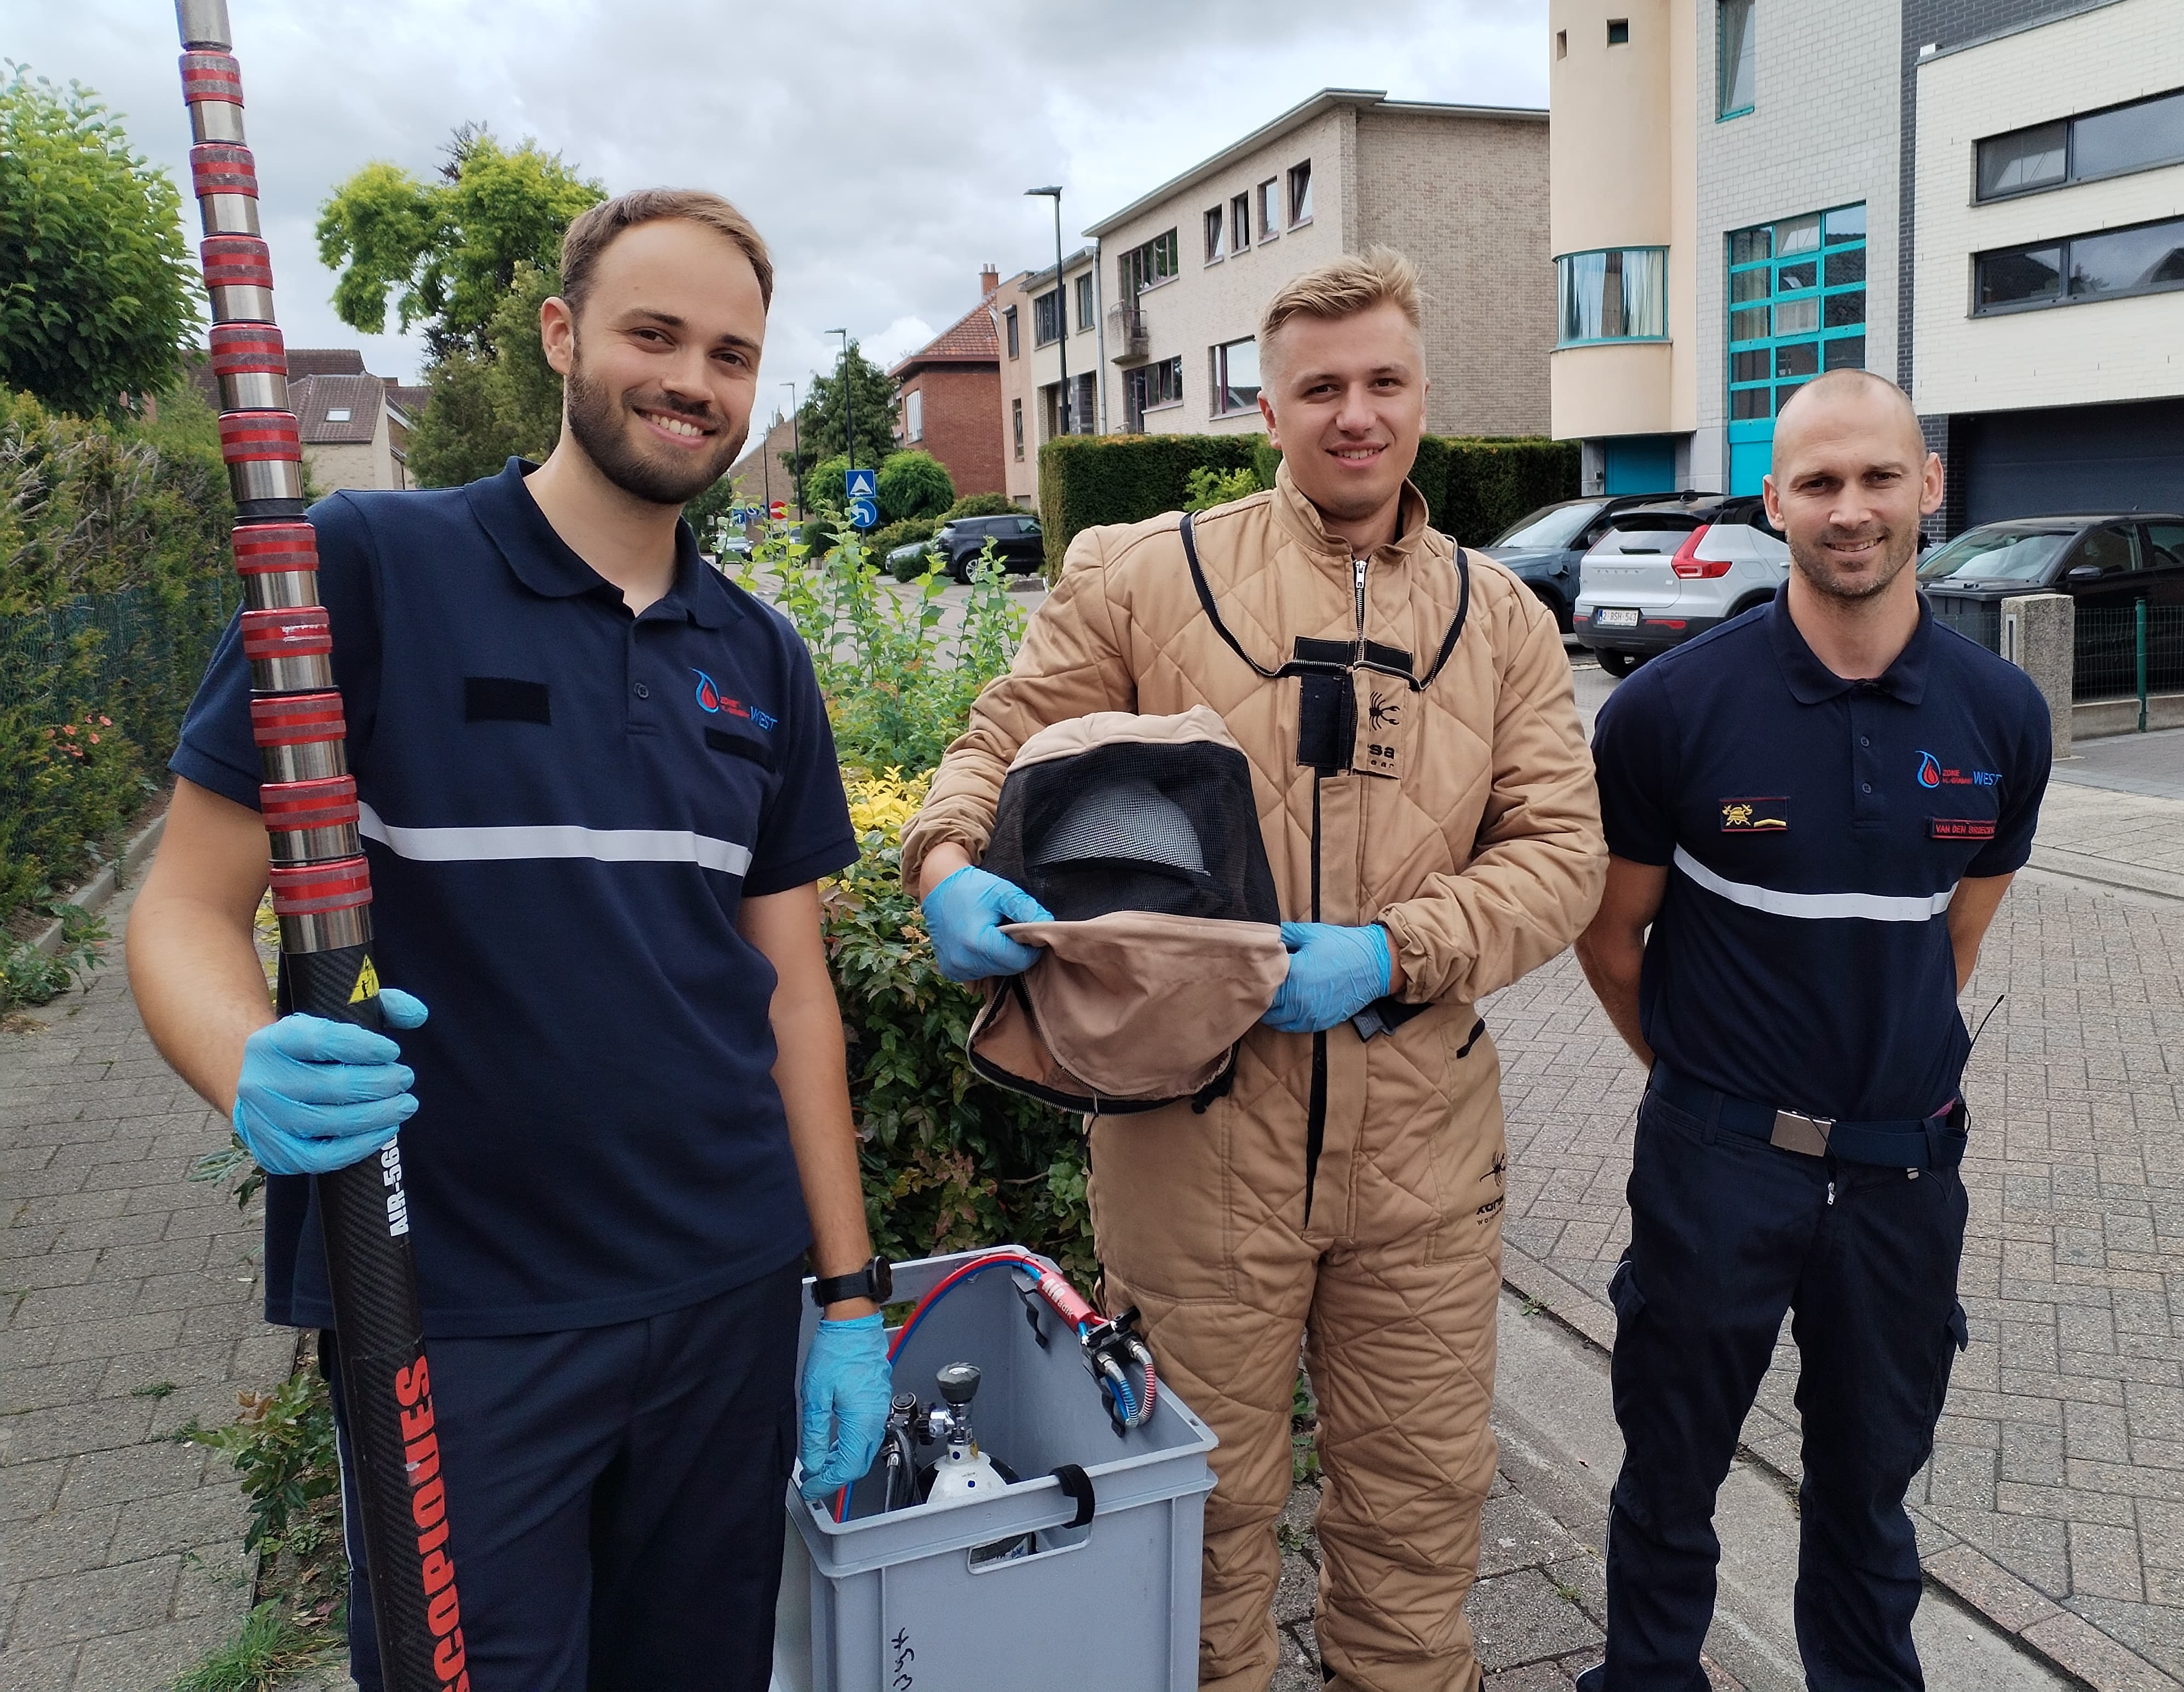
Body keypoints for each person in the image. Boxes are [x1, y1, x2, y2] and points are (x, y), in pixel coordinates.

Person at [128, 190, 895, 1691]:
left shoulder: (760, 657)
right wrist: (244, 1064)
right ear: (563, 337)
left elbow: (793, 997)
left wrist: (851, 1296)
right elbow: (183, 908)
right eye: (654, 334)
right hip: (454, 1314)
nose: (694, 380)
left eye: (730, 354)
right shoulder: (366, 570)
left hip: (722, 1304)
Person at [903, 248, 1606, 1692]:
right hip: (1191, 1149)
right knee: (1197, 1518)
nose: (1357, 414)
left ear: (1424, 399)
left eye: (1385, 383)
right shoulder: (1148, 579)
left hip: (1422, 1156)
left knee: (1418, 1513)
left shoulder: (1508, 625)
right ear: (1268, 407)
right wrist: (947, 868)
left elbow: (1561, 859)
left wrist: (1394, 951)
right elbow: (991, 745)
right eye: (1322, 388)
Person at [1573, 369, 2051, 1691]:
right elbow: (1611, 942)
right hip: (1717, 1163)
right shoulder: (1668, 711)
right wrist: (1707, 1095)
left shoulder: (2003, 715)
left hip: (1903, 1172)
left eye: (1880, 478)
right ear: (1775, 499)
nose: (1853, 511)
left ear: (1930, 486)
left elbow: (1952, 940)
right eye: (1821, 484)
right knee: (1671, 1475)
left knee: (1869, 1497)